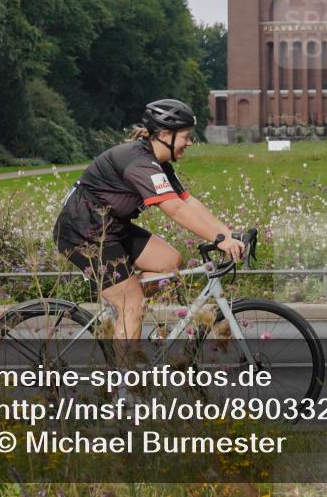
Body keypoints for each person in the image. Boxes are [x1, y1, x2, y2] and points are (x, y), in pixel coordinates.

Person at [52, 98, 244, 357]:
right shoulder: (139, 162)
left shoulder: (157, 161)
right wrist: (219, 238)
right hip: (83, 233)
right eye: (186, 136)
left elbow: (187, 201)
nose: (190, 143)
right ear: (165, 134)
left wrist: (227, 234)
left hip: (112, 228)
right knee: (132, 302)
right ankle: (125, 388)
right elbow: (174, 209)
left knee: (169, 261)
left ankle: (122, 308)